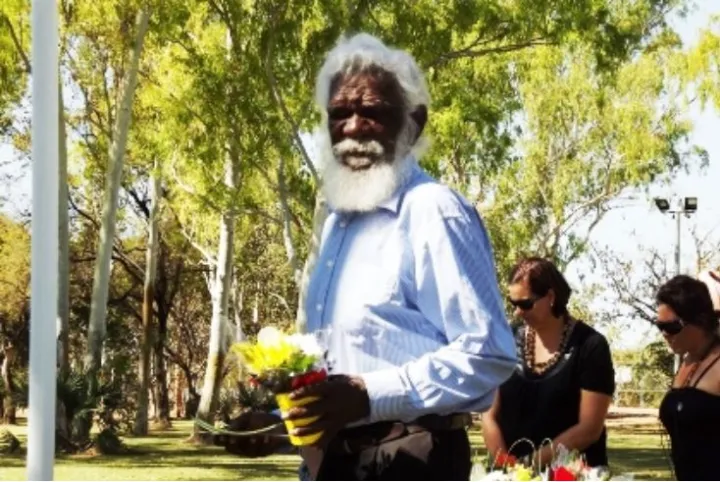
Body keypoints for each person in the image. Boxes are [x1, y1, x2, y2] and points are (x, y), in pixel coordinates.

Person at [219, 32, 518, 481]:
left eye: (371, 112)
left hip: (414, 460)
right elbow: (347, 373)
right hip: (336, 464)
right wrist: (282, 426)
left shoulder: (433, 210)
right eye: (339, 114)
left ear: (413, 122)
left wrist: (367, 394)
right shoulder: (341, 223)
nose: (353, 127)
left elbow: (489, 354)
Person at [481, 257, 615, 469]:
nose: (517, 312)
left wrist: (528, 466)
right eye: (513, 304)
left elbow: (590, 428)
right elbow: (488, 416)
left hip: (572, 474)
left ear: (551, 296)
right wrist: (505, 467)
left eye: (525, 303)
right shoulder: (505, 340)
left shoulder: (591, 346)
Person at [657, 275, 720, 480]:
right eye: (659, 326)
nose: (664, 334)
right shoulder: (686, 362)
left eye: (672, 327)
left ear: (699, 321)